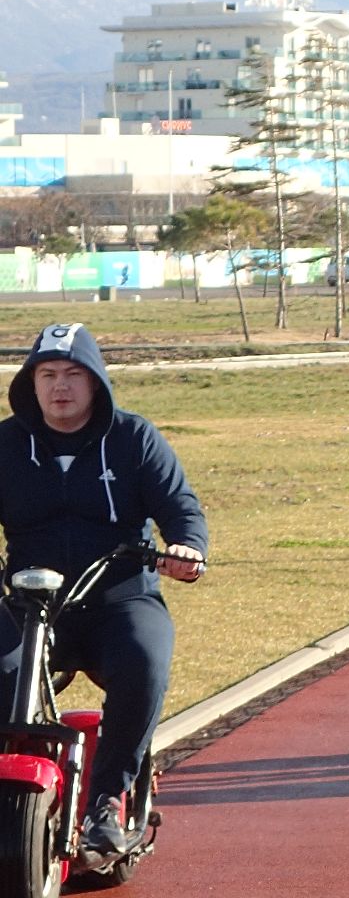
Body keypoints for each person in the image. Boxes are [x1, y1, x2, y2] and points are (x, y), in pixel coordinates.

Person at [0, 323, 207, 860]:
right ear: (31, 382)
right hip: (29, 606)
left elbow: (180, 506)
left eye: (72, 374)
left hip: (121, 597)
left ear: (95, 383)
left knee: (145, 660)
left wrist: (186, 547)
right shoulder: (4, 444)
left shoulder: (133, 438)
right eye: (47, 374)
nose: (59, 386)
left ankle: (106, 803)